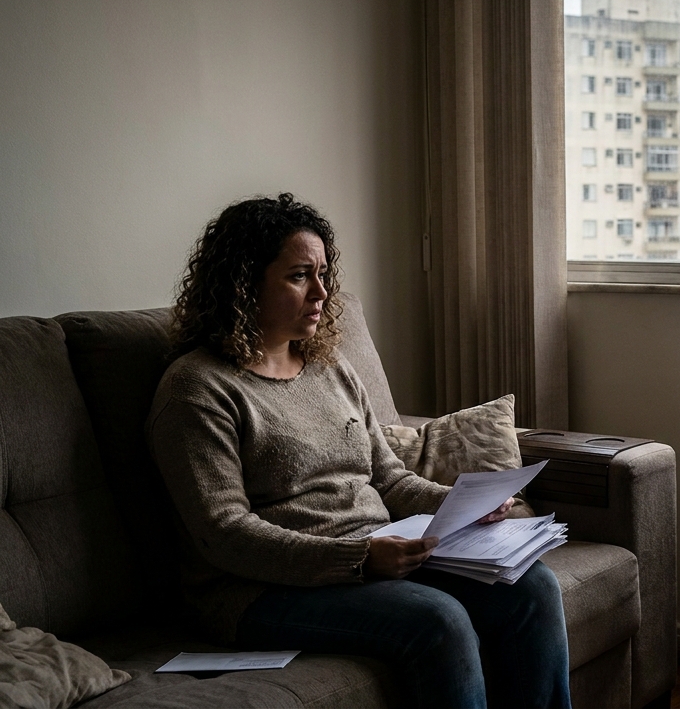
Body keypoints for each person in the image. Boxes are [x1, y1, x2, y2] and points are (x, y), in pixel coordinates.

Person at [146, 193, 571, 709]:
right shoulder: (197, 388)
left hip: (375, 551)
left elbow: (388, 480)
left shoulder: (330, 368)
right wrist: (358, 560)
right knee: (439, 620)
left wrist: (461, 503)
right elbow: (223, 534)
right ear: (243, 282)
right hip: (255, 591)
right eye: (300, 276)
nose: (322, 292)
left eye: (323, 273)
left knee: (532, 588)